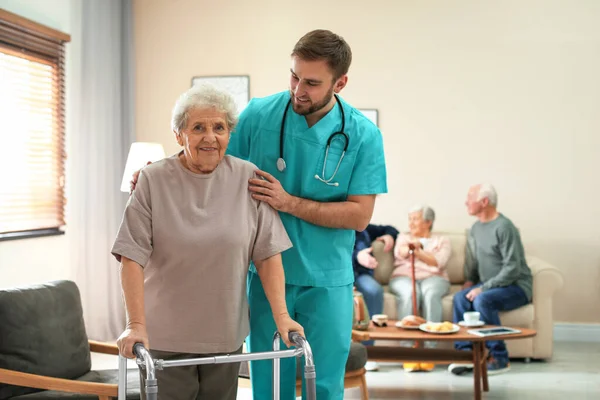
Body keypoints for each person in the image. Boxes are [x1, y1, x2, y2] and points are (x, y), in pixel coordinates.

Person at [112, 84, 303, 400]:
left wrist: (282, 317)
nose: (210, 137)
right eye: (198, 127)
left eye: (219, 128)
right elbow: (131, 256)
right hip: (165, 336)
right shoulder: (152, 180)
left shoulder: (249, 178)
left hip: (225, 336)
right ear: (179, 135)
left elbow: (268, 255)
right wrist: (135, 325)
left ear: (230, 133)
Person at [227, 29, 387, 399]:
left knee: (327, 384)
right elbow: (215, 170)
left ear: (340, 82)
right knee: (269, 385)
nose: (299, 89)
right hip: (266, 274)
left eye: (312, 83)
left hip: (327, 279)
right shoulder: (258, 115)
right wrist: (159, 174)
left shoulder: (363, 135)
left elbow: (360, 216)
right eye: (294, 76)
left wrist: (288, 202)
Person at [448, 184, 532, 376]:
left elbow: (512, 268)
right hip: (492, 285)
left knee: (482, 299)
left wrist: (483, 288)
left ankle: (500, 358)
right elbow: (475, 261)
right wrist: (471, 281)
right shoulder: (476, 228)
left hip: (516, 286)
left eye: (470, 198)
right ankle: (466, 355)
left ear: (484, 202)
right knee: (460, 298)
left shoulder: (505, 227)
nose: (466, 202)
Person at [388, 204, 452, 372]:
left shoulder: (442, 240)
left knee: (430, 294)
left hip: (435, 279)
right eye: (410, 219)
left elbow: (439, 262)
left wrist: (417, 251)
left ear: (428, 222)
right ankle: (407, 350)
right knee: (410, 292)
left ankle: (430, 350)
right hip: (404, 277)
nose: (411, 223)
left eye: (415, 219)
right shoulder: (403, 237)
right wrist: (412, 247)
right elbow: (400, 252)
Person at [352, 223, 399, 371]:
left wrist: (389, 236)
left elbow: (390, 229)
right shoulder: (335, 228)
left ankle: (368, 352)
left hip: (362, 275)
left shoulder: (364, 227)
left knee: (374, 291)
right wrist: (357, 256)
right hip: (342, 274)